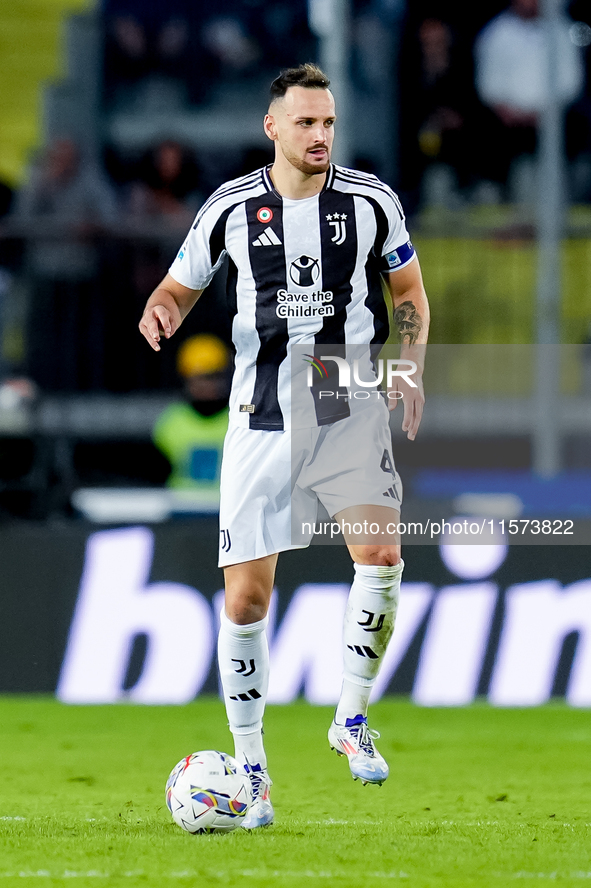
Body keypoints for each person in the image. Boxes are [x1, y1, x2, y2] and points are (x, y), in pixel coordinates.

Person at [139, 63, 430, 830]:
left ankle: (351, 717)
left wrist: (406, 371)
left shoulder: (370, 203)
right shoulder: (230, 208)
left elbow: (409, 296)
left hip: (342, 394)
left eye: (328, 122)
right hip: (259, 410)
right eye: (305, 122)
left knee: (382, 556)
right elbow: (178, 285)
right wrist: (162, 310)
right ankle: (254, 771)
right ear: (273, 127)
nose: (320, 135)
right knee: (248, 597)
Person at [152, 333, 230, 500]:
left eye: (213, 377)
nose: (207, 385)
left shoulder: (238, 419)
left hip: (227, 511)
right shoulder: (171, 422)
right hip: (181, 513)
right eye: (200, 378)